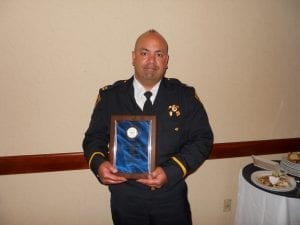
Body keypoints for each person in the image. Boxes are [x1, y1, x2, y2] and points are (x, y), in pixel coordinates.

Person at [82, 29, 213, 225]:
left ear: (166, 60)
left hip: (170, 199)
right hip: (126, 199)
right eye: (144, 53)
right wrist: (99, 164)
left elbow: (202, 139)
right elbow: (93, 139)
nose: (151, 60)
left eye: (158, 54)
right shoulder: (111, 97)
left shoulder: (184, 97)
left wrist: (172, 171)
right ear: (133, 57)